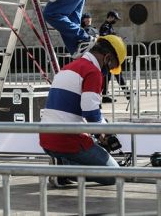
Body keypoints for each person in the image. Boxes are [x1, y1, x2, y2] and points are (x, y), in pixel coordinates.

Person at [39, 35, 127, 187]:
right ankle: (64, 168)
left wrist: (101, 129)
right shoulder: (92, 72)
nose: (109, 71)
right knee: (115, 175)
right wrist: (103, 134)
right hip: (68, 140)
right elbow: (91, 113)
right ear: (107, 58)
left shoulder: (68, 67)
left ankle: (61, 165)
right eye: (112, 66)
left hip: (47, 139)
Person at [98, 11, 129, 102]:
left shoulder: (109, 27)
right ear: (110, 17)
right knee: (117, 75)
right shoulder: (105, 27)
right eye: (115, 18)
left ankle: (105, 95)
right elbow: (105, 38)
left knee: (109, 76)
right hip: (109, 56)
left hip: (110, 55)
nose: (115, 20)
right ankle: (127, 94)